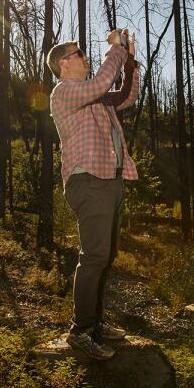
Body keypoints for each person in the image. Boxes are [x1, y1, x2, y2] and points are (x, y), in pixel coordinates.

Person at [48, 29, 141, 360]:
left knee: (105, 256)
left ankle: (95, 324)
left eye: (86, 53)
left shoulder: (95, 97)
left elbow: (125, 96)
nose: (85, 57)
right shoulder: (64, 92)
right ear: (63, 64)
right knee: (94, 257)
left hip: (110, 179)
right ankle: (81, 331)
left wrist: (129, 63)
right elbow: (102, 82)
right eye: (79, 54)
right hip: (88, 181)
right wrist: (114, 49)